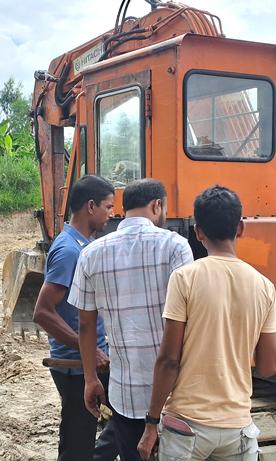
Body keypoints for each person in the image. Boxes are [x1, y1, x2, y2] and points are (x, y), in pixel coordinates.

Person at [137, 186, 276, 460]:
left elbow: (168, 360)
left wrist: (151, 422)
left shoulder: (184, 278)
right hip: (238, 428)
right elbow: (269, 365)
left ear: (198, 231)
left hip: (187, 426)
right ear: (240, 228)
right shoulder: (264, 286)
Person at [71, 178, 194, 461]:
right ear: (157, 205)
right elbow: (190, 318)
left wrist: (90, 379)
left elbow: (86, 325)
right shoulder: (176, 247)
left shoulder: (90, 254)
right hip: (175, 396)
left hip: (125, 395)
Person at [31, 175, 119, 461]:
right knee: (77, 441)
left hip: (86, 361)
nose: (112, 213)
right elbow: (43, 312)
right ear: (90, 206)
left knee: (115, 425)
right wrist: (88, 349)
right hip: (74, 366)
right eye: (108, 206)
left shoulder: (81, 245)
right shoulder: (69, 250)